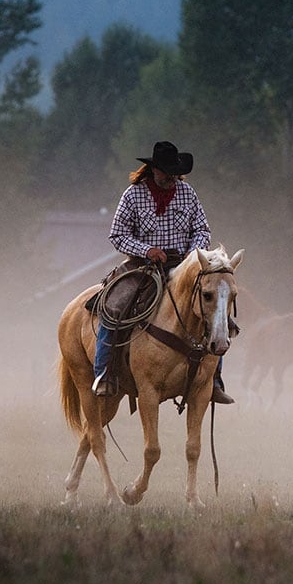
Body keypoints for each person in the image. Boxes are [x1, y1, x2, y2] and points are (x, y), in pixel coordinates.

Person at [93, 140, 233, 404]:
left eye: (173, 171)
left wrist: (194, 256)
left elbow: (202, 229)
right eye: (165, 171)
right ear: (153, 169)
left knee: (217, 308)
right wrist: (147, 250)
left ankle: (214, 380)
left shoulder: (187, 193)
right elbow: (118, 235)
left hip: (185, 263)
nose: (170, 176)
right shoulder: (133, 195)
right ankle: (104, 373)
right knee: (113, 306)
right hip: (141, 265)